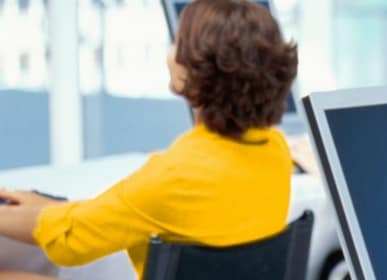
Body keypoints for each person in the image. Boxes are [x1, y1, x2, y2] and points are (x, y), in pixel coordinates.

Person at [0, 0, 298, 278]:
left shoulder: (176, 175)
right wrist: (43, 205)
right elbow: (124, 210)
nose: (170, 53)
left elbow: (71, 237)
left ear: (199, 69)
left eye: (178, 42)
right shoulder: (276, 150)